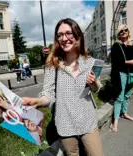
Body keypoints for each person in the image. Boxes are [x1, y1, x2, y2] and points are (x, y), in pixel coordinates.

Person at [22, 18, 104, 156]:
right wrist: (39, 101)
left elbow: (96, 89)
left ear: (77, 35)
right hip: (65, 123)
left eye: (68, 33)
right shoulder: (52, 64)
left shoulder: (89, 62)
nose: (64, 38)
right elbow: (48, 94)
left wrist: (94, 83)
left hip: (87, 120)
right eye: (60, 35)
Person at [110, 24, 133, 132]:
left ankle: (124, 113)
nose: (123, 32)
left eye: (125, 30)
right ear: (118, 34)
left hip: (131, 74)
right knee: (119, 97)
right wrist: (129, 62)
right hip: (121, 73)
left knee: (127, 95)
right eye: (121, 31)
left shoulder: (131, 45)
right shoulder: (116, 45)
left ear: (128, 31)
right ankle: (115, 121)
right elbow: (116, 61)